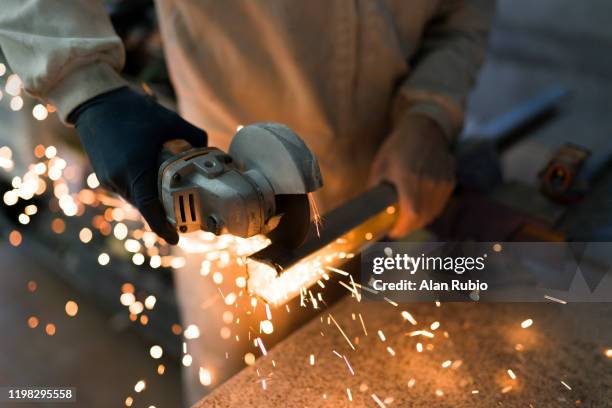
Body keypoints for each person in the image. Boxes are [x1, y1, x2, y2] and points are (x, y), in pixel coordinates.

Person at [1, 0, 493, 404]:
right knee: (240, 389)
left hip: (391, 188)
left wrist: (430, 111)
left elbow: (465, 13)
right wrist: (88, 89)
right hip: (240, 231)